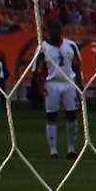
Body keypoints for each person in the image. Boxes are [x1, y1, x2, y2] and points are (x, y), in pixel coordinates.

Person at [33, 19, 82, 160]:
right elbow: (36, 72)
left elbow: (77, 67)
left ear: (62, 29)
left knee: (71, 115)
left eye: (57, 28)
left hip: (69, 83)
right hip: (52, 84)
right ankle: (53, 150)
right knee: (51, 116)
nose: (55, 31)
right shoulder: (43, 48)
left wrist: (80, 87)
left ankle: (71, 149)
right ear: (48, 31)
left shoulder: (71, 46)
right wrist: (41, 87)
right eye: (52, 28)